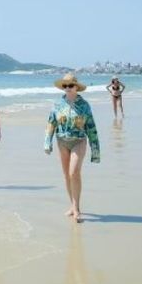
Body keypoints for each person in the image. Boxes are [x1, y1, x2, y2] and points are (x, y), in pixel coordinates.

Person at [44, 73, 100, 222]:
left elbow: (91, 127)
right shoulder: (57, 104)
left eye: (70, 85)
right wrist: (47, 141)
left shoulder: (84, 105)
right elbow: (51, 123)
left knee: (74, 172)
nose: (67, 88)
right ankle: (73, 206)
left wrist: (95, 150)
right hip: (61, 141)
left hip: (79, 141)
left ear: (76, 87)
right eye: (65, 86)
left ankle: (76, 208)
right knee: (66, 175)